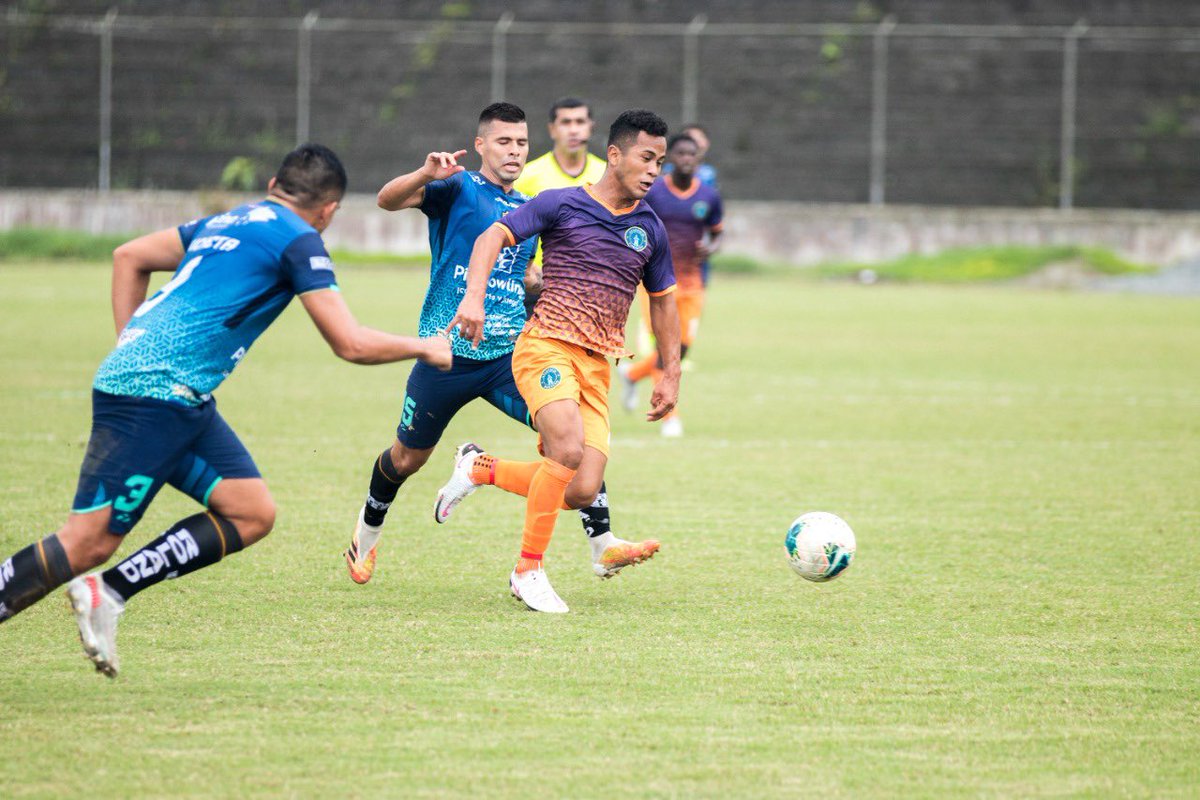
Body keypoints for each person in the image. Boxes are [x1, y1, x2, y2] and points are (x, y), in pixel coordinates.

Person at [0, 144, 452, 677]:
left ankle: (110, 593)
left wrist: (131, 344)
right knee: (88, 540)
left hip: (180, 397)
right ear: (329, 211)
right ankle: (96, 581)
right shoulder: (299, 240)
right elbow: (349, 343)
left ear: (272, 186)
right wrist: (424, 346)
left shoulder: (233, 217)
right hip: (153, 397)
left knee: (251, 512)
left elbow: (130, 255)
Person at [345, 102, 659, 585]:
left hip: (508, 356)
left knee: (570, 436)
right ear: (481, 145)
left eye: (521, 143)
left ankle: (602, 544)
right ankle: (366, 537)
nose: (514, 152)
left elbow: (528, 277)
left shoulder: (531, 203)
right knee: (408, 458)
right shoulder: (457, 186)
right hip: (445, 353)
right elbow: (387, 200)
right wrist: (423, 174)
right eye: (504, 142)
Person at [435, 110, 681, 613]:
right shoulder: (560, 204)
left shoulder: (650, 229)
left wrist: (670, 371)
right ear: (615, 155)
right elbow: (490, 238)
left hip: (597, 365)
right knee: (566, 450)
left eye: (660, 160)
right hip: (545, 345)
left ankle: (478, 468)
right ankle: (528, 569)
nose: (655, 169)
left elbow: (663, 301)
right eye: (646, 157)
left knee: (581, 488)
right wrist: (473, 299)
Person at [620, 133, 724, 438]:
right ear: (668, 159)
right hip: (656, 283)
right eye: (680, 154)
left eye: (692, 155)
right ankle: (670, 417)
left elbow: (718, 232)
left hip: (693, 284)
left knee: (683, 349)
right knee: (666, 350)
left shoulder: (709, 196)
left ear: (698, 159)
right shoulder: (653, 192)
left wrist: (712, 248)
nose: (686, 159)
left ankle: (633, 374)